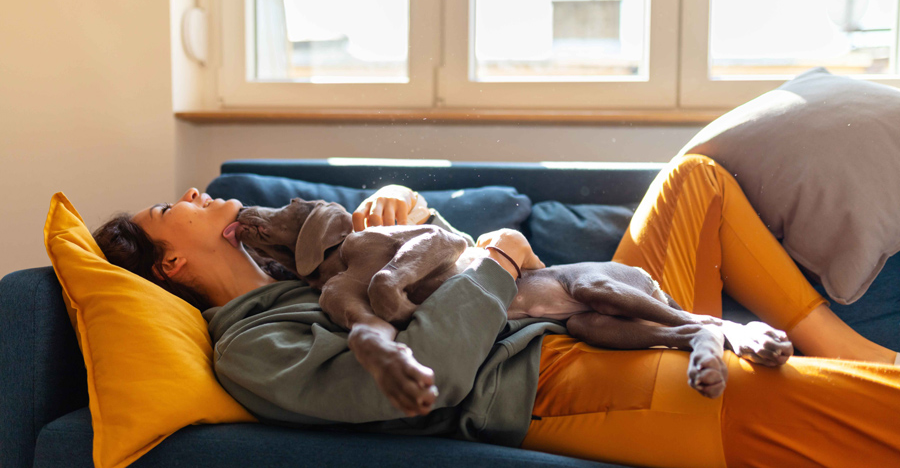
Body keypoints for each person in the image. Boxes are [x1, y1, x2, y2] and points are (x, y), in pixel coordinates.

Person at [93, 154, 900, 466]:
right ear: (172, 261)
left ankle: (844, 342)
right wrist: (502, 253)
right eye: (173, 204)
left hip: (572, 304)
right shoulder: (250, 346)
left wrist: (404, 209)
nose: (195, 192)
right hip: (563, 375)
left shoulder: (306, 254)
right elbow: (424, 379)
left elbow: (446, 264)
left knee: (697, 179)